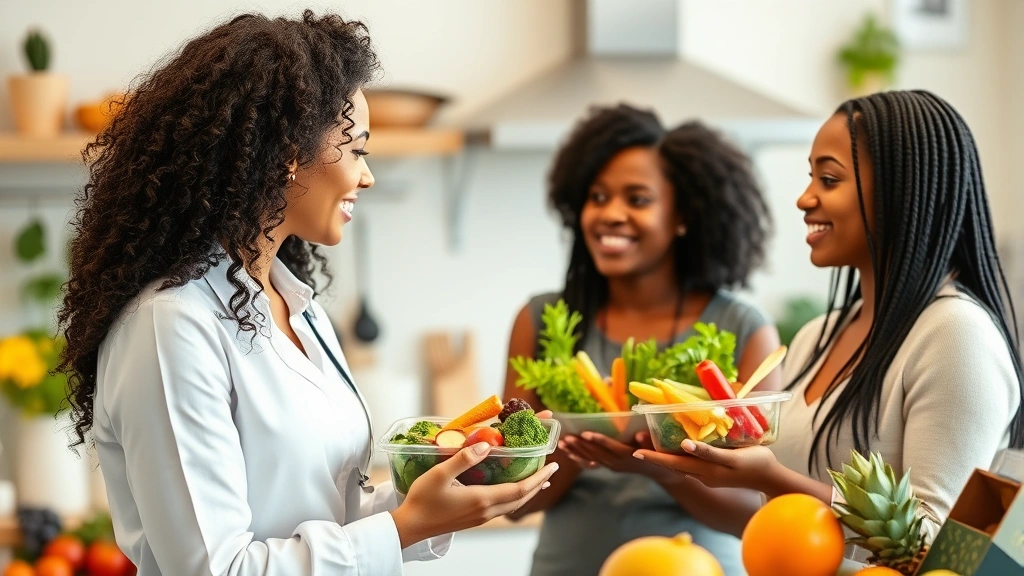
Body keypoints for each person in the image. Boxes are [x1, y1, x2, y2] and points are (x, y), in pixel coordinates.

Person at [57, 11, 557, 575]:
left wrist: (448, 494)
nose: (367, 176)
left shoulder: (298, 308)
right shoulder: (171, 324)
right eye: (357, 149)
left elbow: (329, 511)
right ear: (288, 152)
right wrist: (406, 526)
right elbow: (214, 568)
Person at [630, 89, 1024, 544]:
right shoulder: (816, 337)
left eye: (829, 179)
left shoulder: (956, 337)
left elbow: (932, 545)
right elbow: (785, 521)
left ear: (900, 191)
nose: (804, 199)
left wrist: (772, 478)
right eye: (811, 177)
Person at [501, 104, 781, 576]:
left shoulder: (743, 328)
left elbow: (754, 514)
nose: (611, 214)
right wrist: (579, 450)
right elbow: (513, 504)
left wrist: (664, 470)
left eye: (637, 199)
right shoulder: (540, 320)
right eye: (598, 196)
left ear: (682, 216)